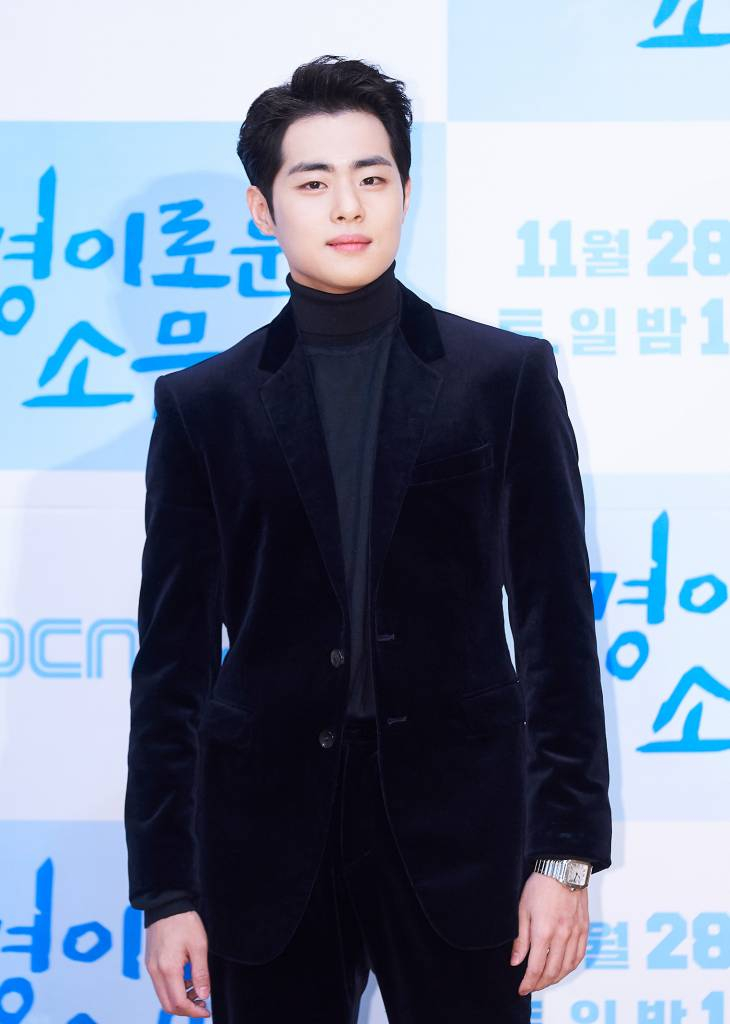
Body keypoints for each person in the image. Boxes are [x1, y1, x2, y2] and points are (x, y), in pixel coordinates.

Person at [124, 53, 612, 1023]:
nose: (348, 205)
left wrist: (563, 855)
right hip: (264, 844)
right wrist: (167, 890)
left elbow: (555, 624)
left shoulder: (502, 376)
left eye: (372, 176)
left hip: (462, 836)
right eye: (313, 182)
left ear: (405, 192)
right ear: (263, 209)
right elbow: (171, 665)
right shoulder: (203, 405)